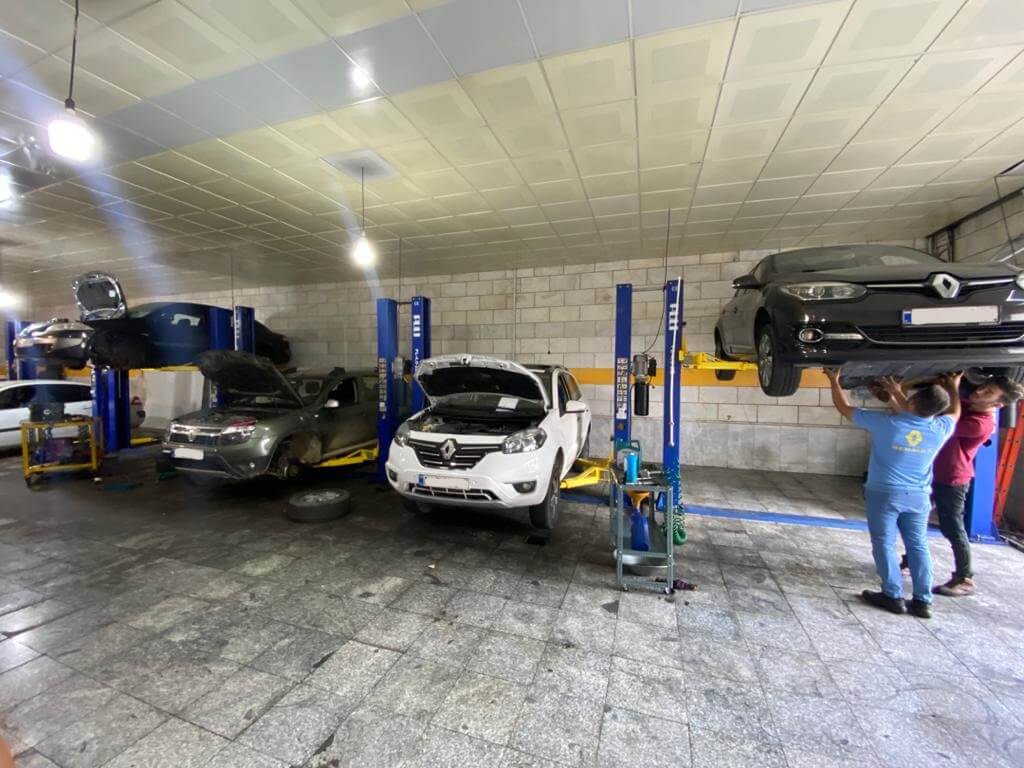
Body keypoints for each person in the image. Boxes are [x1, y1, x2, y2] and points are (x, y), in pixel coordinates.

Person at [824, 369, 961, 618]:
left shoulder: (889, 424)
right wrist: (954, 386)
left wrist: (834, 381)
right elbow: (955, 411)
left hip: (884, 494)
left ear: (913, 402)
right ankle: (923, 601)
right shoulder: (941, 428)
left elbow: (844, 408)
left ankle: (892, 595)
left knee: (884, 543)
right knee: (918, 545)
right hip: (918, 497)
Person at [930, 376, 1024, 596]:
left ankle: (965, 579)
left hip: (952, 479)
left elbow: (947, 422)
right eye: (984, 386)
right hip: (933, 473)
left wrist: (952, 389)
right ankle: (910, 561)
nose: (980, 391)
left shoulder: (980, 424)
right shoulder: (965, 405)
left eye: (988, 392)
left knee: (952, 527)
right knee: (915, 518)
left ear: (998, 404)